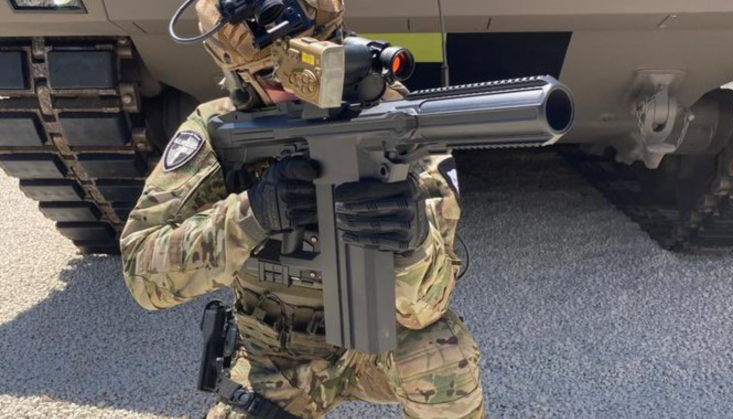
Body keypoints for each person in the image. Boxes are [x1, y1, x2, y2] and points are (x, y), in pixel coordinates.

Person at [120, 0, 485, 417]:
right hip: (274, 358)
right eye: (275, 74)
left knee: (440, 354)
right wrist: (252, 214)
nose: (305, 86)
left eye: (320, 56)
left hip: (380, 345)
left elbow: (427, 307)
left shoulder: (397, 122)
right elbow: (141, 272)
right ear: (239, 77)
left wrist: (412, 246)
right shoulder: (219, 129)